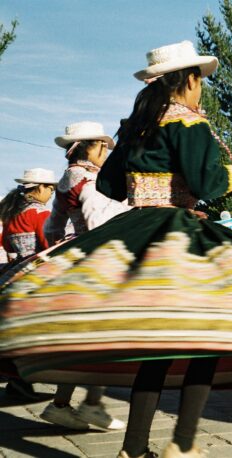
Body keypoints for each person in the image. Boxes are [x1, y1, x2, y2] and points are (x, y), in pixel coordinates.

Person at [0, 40, 232, 458]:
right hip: (178, 231)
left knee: (161, 341)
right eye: (201, 80)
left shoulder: (136, 127)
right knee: (206, 334)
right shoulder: (189, 123)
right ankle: (182, 444)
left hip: (136, 227)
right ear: (188, 79)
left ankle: (134, 449)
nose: (202, 88)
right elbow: (210, 185)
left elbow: (110, 185)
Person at [38, 121, 130, 431]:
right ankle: (90, 404)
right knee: (104, 339)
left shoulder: (67, 179)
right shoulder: (89, 179)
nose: (106, 152)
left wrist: (57, 250)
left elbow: (52, 227)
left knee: (86, 340)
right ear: (92, 147)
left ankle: (65, 404)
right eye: (104, 146)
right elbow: (97, 222)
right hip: (96, 262)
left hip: (73, 260)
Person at [0, 169, 57, 402]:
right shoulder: (39, 212)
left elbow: (8, 246)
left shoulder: (13, 212)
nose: (51, 194)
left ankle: (18, 380)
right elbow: (48, 243)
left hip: (15, 272)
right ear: (40, 187)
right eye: (50, 189)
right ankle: (24, 380)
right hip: (36, 274)